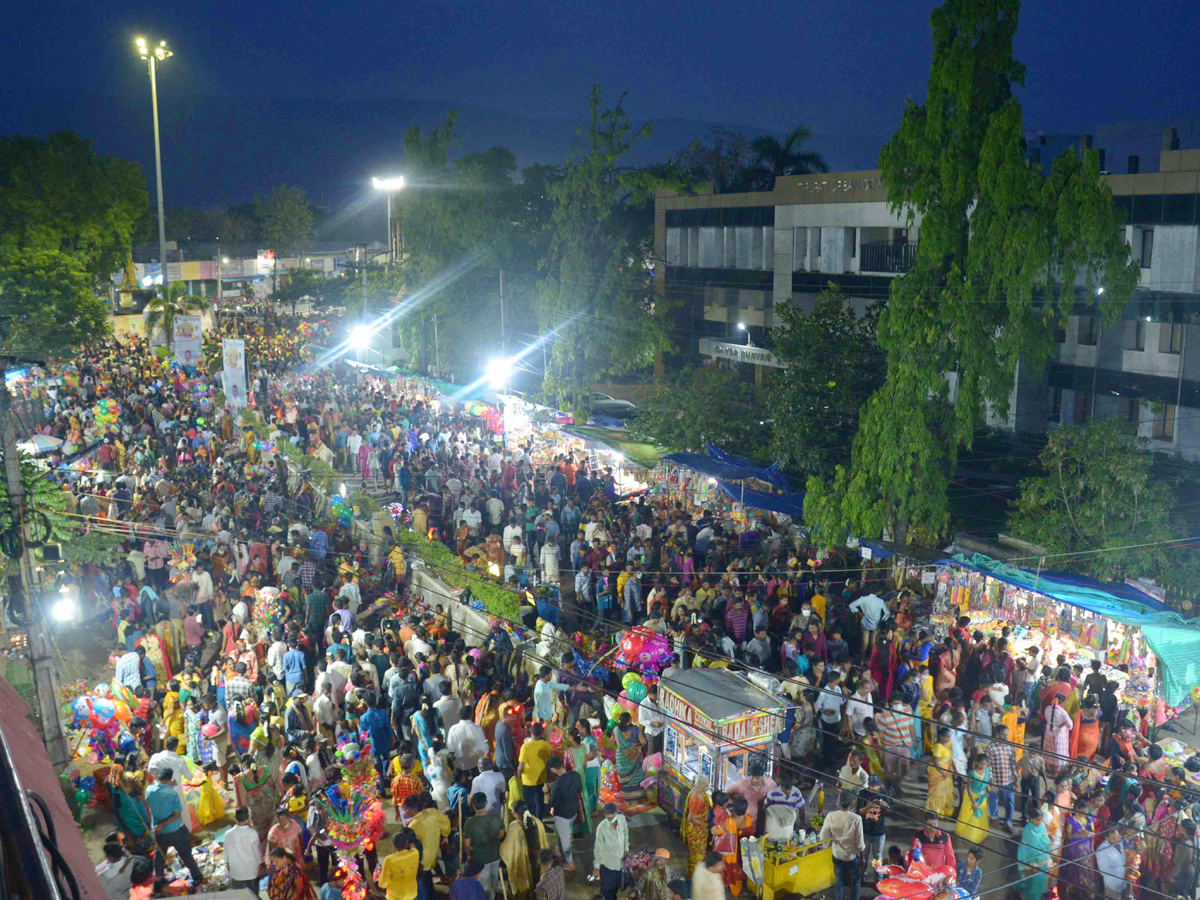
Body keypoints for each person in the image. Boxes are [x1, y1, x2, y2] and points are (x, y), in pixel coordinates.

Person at [144, 768, 203, 887]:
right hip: (175, 830)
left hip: (158, 831)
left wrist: (158, 825)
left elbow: (149, 806)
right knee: (186, 854)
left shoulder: (149, 790)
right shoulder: (172, 793)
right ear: (170, 779)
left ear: (158, 777)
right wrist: (162, 824)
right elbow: (176, 816)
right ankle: (197, 877)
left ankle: (159, 880)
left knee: (160, 855)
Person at [820, 791, 865, 900]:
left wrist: (828, 845)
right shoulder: (856, 819)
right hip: (851, 857)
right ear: (851, 803)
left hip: (837, 855)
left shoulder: (831, 816)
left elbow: (823, 837)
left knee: (839, 881)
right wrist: (862, 856)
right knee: (855, 882)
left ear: (839, 803)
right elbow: (860, 842)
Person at [463, 793, 505, 899]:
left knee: (484, 885)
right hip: (496, 855)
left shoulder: (470, 823)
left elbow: (467, 844)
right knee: (494, 879)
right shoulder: (496, 818)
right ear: (486, 804)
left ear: (473, 806)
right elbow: (502, 835)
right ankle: (493, 896)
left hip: (480, 859)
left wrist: (468, 855)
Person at [546, 756, 582, 871]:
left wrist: (547, 792)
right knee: (564, 833)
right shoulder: (575, 775)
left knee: (565, 839)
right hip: (574, 810)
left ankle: (570, 863)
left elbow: (552, 803)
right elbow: (579, 789)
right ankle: (557, 849)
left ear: (553, 769)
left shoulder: (557, 785)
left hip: (562, 815)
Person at [592, 803, 629, 900]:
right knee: (606, 891)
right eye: (607, 815)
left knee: (616, 888)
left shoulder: (622, 819)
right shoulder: (601, 828)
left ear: (616, 813)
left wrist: (626, 849)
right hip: (608, 866)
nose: (609, 817)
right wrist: (596, 866)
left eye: (611, 815)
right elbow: (598, 848)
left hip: (620, 864)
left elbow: (625, 834)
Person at [226, 806, 264, 897]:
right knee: (253, 896)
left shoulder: (228, 834)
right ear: (247, 818)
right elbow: (257, 853)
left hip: (236, 873)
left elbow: (226, 856)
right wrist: (261, 864)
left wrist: (230, 868)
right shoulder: (252, 833)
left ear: (235, 817)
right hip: (251, 872)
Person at [1015, 802, 1050, 900]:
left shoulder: (1041, 825)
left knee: (1040, 884)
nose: (1040, 821)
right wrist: (1030, 866)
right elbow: (1026, 850)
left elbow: (1045, 840)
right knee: (1032, 886)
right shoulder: (1028, 831)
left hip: (1043, 862)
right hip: (1032, 864)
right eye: (1037, 820)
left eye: (1041, 819)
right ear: (1031, 819)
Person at [517, 722, 551, 819]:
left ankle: (532, 822)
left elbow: (521, 766)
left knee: (530, 804)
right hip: (541, 779)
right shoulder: (546, 745)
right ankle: (539, 822)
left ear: (530, 732)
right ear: (542, 733)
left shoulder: (526, 747)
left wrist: (518, 775)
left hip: (528, 781)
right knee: (539, 802)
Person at [956, 751, 990, 844]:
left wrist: (989, 788)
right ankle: (965, 834)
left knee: (979, 817)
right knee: (968, 815)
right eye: (981, 764)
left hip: (982, 797)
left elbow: (987, 781)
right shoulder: (972, 773)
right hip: (971, 797)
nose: (983, 766)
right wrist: (974, 802)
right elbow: (969, 788)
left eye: (985, 764)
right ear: (977, 763)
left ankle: (976, 835)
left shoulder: (987, 770)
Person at [682, 775, 712, 877]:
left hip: (699, 829)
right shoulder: (696, 800)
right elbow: (690, 818)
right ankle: (694, 877)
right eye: (705, 786)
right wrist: (703, 824)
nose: (707, 788)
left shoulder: (697, 792)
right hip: (696, 832)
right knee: (697, 855)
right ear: (699, 786)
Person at [378, 829, 421, 900]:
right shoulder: (415, 853)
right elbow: (413, 847)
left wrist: (379, 875)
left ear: (393, 845)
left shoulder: (389, 860)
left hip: (395, 897)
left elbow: (383, 884)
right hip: (412, 894)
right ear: (406, 843)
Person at [613, 712, 646, 801]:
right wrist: (635, 747)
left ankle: (627, 796)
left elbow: (614, 742)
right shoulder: (635, 729)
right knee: (637, 775)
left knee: (624, 777)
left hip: (621, 758)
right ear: (629, 721)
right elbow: (643, 742)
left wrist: (624, 749)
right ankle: (638, 796)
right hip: (634, 759)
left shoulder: (616, 730)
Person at [926, 726, 956, 817]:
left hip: (946, 772)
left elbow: (951, 758)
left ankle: (944, 811)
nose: (949, 739)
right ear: (941, 737)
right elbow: (936, 763)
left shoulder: (949, 743)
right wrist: (943, 773)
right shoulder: (938, 747)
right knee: (936, 794)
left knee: (945, 792)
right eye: (947, 737)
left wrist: (954, 769)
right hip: (938, 773)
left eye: (949, 736)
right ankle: (935, 813)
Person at [1095, 823, 1128, 900]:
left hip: (1124, 883)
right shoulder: (1102, 850)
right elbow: (1104, 871)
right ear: (1106, 838)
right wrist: (1124, 869)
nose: (1117, 840)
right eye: (1114, 839)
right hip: (1112, 885)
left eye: (1118, 837)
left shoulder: (1120, 843)